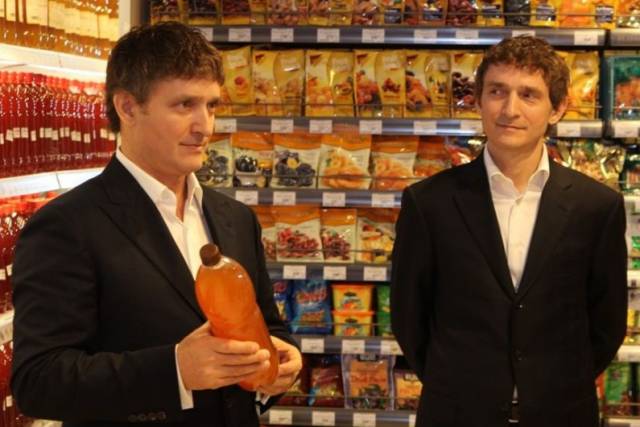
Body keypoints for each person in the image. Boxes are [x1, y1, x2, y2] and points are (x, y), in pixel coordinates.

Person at [10, 22, 301, 427]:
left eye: (211, 106)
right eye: (184, 105)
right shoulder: (66, 226)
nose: (204, 126)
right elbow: (39, 381)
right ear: (128, 107)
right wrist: (175, 370)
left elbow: (267, 326)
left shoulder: (235, 218)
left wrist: (283, 361)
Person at [391, 36, 627, 427]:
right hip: (457, 414)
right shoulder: (428, 203)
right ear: (478, 101)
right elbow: (408, 316)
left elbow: (607, 322)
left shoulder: (597, 207)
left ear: (558, 108)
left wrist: (557, 385)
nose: (510, 109)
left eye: (528, 95)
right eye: (497, 91)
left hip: (562, 414)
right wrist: (457, 386)